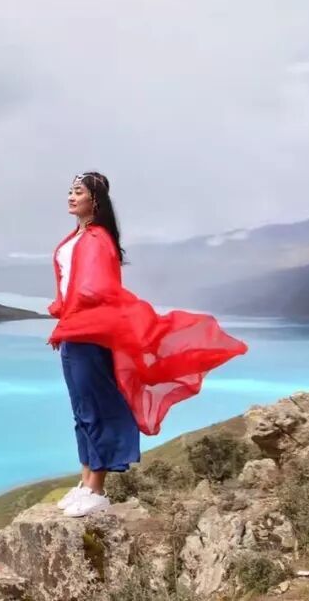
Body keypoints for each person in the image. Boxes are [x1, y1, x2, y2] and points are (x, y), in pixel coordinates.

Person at [48, 171, 248, 518]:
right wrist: (61, 317)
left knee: (96, 407)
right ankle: (85, 482)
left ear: (95, 200)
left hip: (91, 333)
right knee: (81, 409)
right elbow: (69, 286)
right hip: (74, 331)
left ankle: (97, 490)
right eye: (70, 191)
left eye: (78, 192)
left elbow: (94, 290)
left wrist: (68, 322)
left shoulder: (97, 239)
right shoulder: (76, 237)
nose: (71, 196)